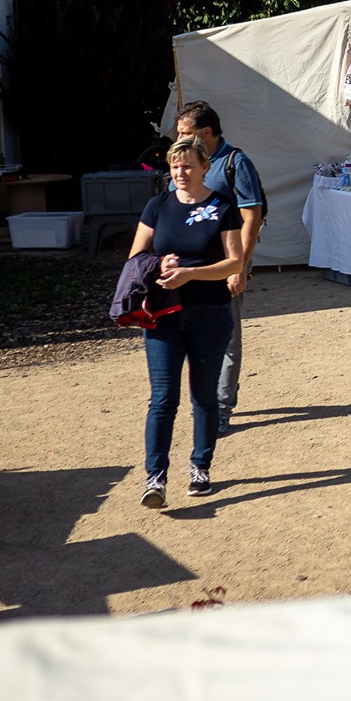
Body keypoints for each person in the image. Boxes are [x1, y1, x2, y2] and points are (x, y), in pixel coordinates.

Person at [129, 136, 244, 508]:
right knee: (162, 399)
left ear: (205, 167)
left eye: (188, 166)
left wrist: (191, 274)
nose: (180, 173)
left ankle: (200, 467)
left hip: (210, 312)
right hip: (163, 315)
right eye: (175, 166)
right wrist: (158, 264)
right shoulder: (157, 206)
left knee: (204, 396)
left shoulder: (222, 205)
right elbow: (135, 256)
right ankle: (155, 478)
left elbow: (234, 262)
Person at [174, 102, 265, 434]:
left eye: (186, 132)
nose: (180, 138)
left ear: (207, 132)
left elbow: (252, 217)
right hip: (188, 267)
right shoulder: (183, 164)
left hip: (226, 263)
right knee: (192, 334)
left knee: (226, 336)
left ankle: (221, 408)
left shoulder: (235, 163)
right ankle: (205, 401)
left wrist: (239, 266)